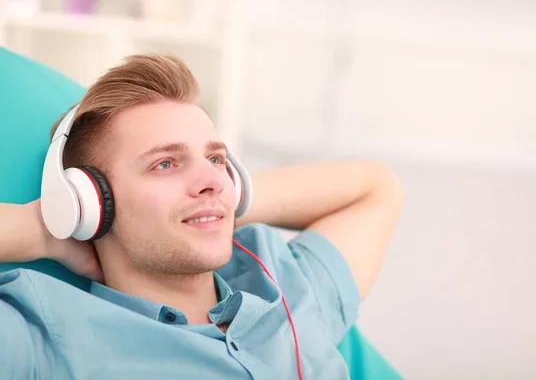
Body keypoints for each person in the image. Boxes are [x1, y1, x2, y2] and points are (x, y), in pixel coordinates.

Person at [0, 54, 403, 379]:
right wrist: (42, 229)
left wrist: (231, 197)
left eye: (216, 158)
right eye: (165, 164)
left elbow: (376, 187)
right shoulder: (44, 337)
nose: (211, 178)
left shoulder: (286, 286)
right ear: (90, 204)